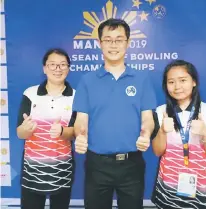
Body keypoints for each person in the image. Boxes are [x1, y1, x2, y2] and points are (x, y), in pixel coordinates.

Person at [73, 18, 156, 209]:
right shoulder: (87, 81)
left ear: (127, 43)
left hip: (131, 165)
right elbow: (81, 120)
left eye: (119, 39)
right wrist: (80, 135)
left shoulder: (141, 79)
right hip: (97, 165)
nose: (113, 45)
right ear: (99, 43)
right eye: (108, 40)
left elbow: (148, 118)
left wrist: (146, 134)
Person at [151, 60, 206, 209]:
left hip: (200, 192)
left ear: (194, 82)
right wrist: (162, 131)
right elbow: (157, 151)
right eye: (171, 82)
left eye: (183, 80)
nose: (177, 87)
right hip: (167, 190)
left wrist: (205, 133)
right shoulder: (160, 112)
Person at [17, 48, 76, 209]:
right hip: (33, 170)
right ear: (44, 68)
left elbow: (76, 132)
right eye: (52, 64)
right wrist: (26, 129)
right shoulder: (30, 94)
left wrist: (63, 132)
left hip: (62, 169)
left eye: (63, 65)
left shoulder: (76, 96)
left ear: (68, 68)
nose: (58, 69)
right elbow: (20, 133)